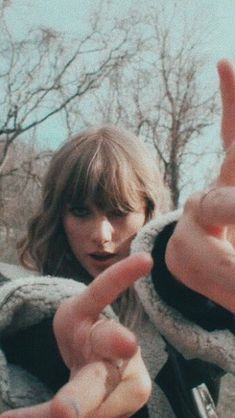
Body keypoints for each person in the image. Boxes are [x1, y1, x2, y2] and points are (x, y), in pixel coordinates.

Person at [0, 59, 235, 418]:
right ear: (58, 217)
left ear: (148, 212)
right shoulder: (29, 322)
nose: (101, 235)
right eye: (81, 212)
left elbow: (178, 287)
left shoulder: (183, 302)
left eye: (119, 211)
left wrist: (188, 273)